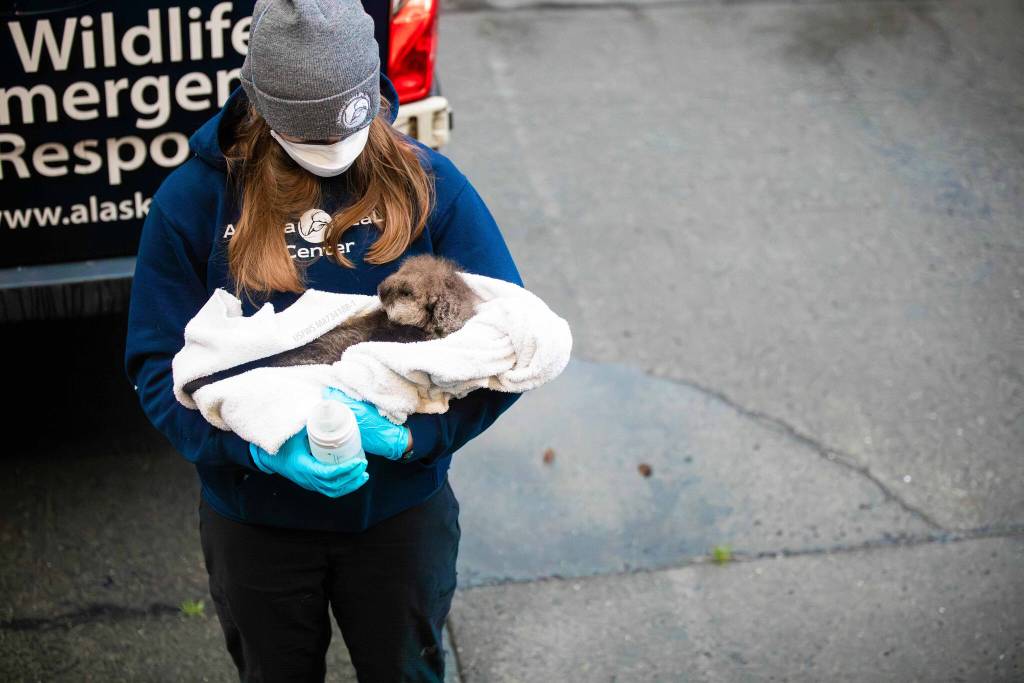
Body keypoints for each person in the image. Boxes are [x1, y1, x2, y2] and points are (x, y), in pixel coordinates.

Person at [122, 0, 524, 680]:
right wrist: (252, 449)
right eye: (308, 140)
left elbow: (509, 347)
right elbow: (156, 365)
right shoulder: (195, 201)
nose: (332, 159)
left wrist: (412, 440)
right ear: (261, 105)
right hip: (256, 523)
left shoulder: (433, 189)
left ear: (371, 95)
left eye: (347, 131)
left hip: (397, 518)